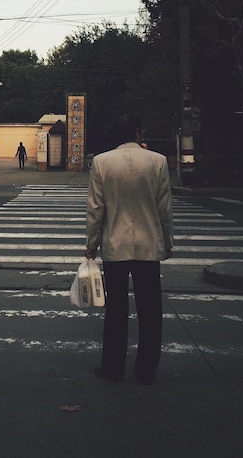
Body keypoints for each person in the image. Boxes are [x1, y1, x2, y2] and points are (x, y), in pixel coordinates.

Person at [85, 113, 173, 385]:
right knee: (150, 309)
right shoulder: (158, 162)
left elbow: (95, 210)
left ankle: (113, 367)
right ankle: (146, 369)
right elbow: (164, 209)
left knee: (116, 310)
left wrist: (91, 246)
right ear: (138, 132)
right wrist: (166, 243)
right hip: (148, 245)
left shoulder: (101, 162)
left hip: (115, 245)